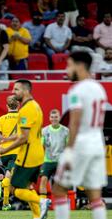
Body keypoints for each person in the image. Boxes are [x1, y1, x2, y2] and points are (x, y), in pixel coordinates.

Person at [53, 51, 108, 219]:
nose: (66, 70)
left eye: (69, 65)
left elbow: (75, 122)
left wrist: (69, 150)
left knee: (59, 189)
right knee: (95, 196)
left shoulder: (77, 90)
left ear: (80, 66)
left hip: (81, 145)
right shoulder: (99, 88)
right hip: (97, 145)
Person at [0, 80, 50, 219]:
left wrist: (5, 149)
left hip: (28, 155)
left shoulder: (26, 110)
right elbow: (23, 133)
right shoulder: (35, 106)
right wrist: (7, 139)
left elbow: (24, 138)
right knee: (28, 188)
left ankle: (42, 201)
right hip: (37, 153)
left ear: (26, 90)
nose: (13, 92)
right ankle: (37, 216)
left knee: (12, 188)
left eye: (16, 89)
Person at [39, 109, 69, 200]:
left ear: (59, 118)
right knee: (43, 181)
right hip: (48, 160)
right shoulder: (44, 131)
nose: (54, 119)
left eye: (56, 117)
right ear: (49, 118)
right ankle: (43, 203)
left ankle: (63, 203)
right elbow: (40, 146)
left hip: (60, 161)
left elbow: (69, 147)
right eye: (52, 117)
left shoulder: (66, 131)